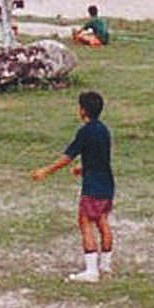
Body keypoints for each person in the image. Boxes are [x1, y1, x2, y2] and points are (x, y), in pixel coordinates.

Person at [31, 90, 114, 282]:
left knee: (84, 221)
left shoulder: (84, 132)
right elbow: (101, 159)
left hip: (92, 187)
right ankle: (106, 265)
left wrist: (46, 171)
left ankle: (91, 271)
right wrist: (83, 169)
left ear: (83, 110)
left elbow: (67, 157)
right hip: (107, 184)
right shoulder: (104, 130)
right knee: (102, 220)